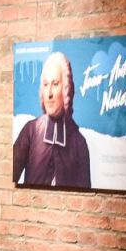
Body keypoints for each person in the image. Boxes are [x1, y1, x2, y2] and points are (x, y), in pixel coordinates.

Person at [12, 50, 91, 188]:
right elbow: (7, 179)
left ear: (66, 89)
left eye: (55, 84)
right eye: (45, 84)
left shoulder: (79, 144)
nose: (49, 93)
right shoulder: (30, 131)